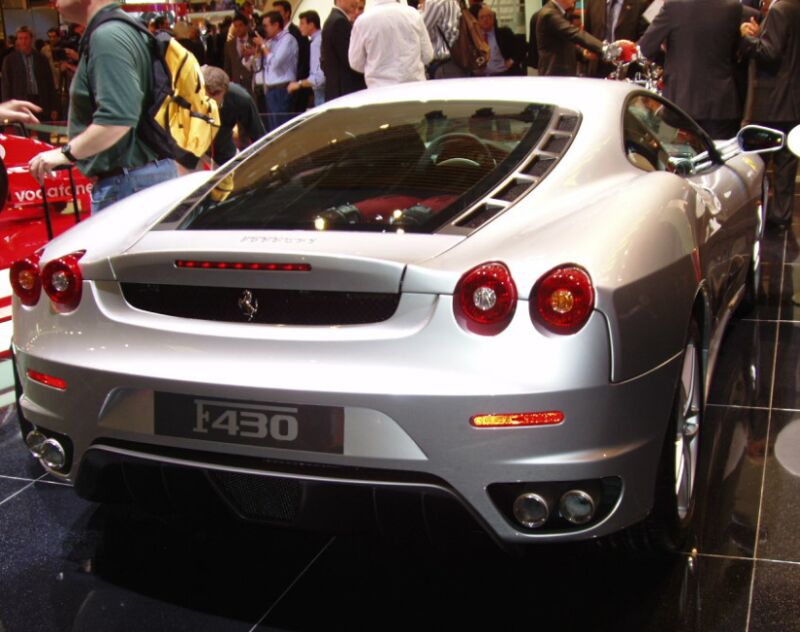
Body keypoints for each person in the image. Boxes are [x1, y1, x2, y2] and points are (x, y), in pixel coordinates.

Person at [28, 0, 178, 211]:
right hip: (137, 179)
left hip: (129, 184)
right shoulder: (119, 29)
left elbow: (117, 119)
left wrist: (65, 154)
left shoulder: (107, 36)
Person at [637, 0, 742, 140]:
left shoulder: (674, 5)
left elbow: (646, 48)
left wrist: (672, 64)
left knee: (680, 158)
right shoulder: (733, 7)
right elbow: (734, 52)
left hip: (681, 102)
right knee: (720, 159)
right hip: (721, 105)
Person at [740, 0, 800, 229]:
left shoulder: (779, 9)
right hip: (792, 101)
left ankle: (756, 217)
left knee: (759, 163)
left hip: (773, 101)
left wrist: (745, 38)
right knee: (786, 164)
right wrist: (760, 35)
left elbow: (770, 52)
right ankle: (781, 216)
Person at [348, 0, 433, 87]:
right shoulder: (413, 15)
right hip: (414, 87)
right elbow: (428, 55)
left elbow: (355, 63)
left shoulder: (362, 22)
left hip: (379, 90)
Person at [202, 65, 265, 165]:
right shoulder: (190, 96)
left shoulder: (241, 98)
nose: (212, 99)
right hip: (195, 155)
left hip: (226, 155)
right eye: (208, 95)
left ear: (226, 91)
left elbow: (258, 136)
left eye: (216, 94)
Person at [251, 11, 298, 130]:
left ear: (276, 25)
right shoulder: (269, 42)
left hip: (282, 89)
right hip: (270, 90)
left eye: (266, 26)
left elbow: (276, 63)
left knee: (282, 127)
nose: (264, 29)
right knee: (272, 129)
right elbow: (256, 67)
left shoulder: (288, 40)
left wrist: (263, 45)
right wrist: (258, 50)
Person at [1, 26, 58, 122]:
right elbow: (6, 85)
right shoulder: (10, 60)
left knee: (43, 132)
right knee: (22, 133)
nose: (23, 41)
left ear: (31, 39)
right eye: (20, 38)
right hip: (21, 100)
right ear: (17, 40)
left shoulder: (41, 58)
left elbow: (50, 83)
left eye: (26, 38)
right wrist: (7, 105)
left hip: (41, 100)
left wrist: (54, 106)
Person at [536, 0, 605, 76]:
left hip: (560, 75)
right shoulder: (549, 13)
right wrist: (605, 48)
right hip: (553, 76)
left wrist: (583, 53)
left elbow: (565, 43)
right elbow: (575, 33)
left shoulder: (560, 12)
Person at [583, 0, 648, 77]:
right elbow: (587, 34)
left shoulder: (640, 3)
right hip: (596, 71)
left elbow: (645, 38)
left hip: (627, 71)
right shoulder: (593, 2)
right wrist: (586, 51)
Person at [322, 0, 366, 100]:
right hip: (345, 91)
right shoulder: (339, 22)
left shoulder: (333, 19)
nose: (355, 2)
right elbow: (351, 60)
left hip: (338, 89)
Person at [272, 1, 311, 112]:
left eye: (278, 12)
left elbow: (303, 60)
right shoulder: (276, 34)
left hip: (295, 84)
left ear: (287, 13)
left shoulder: (296, 33)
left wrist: (298, 83)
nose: (275, 16)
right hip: (279, 85)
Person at [288, 11, 325, 107]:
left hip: (322, 92)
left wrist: (298, 84)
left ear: (311, 25)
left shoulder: (317, 43)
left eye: (302, 23)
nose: (300, 27)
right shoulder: (320, 39)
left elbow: (319, 77)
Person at [422, 0, 468, 78]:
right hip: (457, 58)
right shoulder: (454, 2)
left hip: (442, 65)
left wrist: (421, 11)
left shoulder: (435, 3)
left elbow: (421, 27)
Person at [476, 6, 524, 76]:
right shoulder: (475, 37)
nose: (485, 19)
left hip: (502, 74)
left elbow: (522, 47)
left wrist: (512, 60)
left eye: (488, 16)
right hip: (481, 77)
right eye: (482, 17)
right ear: (478, 21)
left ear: (493, 19)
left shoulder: (504, 33)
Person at [224, 13, 255, 97]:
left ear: (246, 26)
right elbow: (227, 66)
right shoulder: (229, 44)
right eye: (235, 26)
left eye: (240, 26)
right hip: (236, 82)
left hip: (252, 82)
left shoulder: (254, 42)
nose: (238, 29)